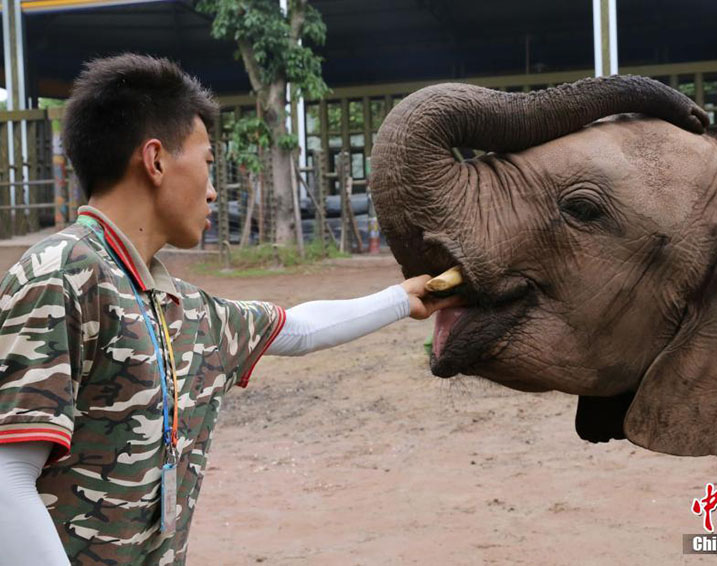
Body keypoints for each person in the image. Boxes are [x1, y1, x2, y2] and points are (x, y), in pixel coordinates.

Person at [0, 54, 459, 566]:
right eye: (208, 164)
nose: (214, 191)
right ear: (155, 161)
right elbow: (7, 480)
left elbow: (298, 329)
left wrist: (403, 298)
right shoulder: (61, 274)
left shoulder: (183, 308)